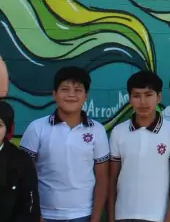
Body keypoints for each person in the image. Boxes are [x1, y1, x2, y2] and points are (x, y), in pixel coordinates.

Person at [19, 66, 111, 222]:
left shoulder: (97, 130)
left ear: (86, 95)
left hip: (83, 214)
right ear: (54, 94)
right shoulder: (37, 128)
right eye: (65, 89)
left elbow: (102, 179)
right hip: (45, 215)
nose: (71, 95)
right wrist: (36, 214)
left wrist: (95, 217)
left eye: (78, 90)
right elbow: (25, 176)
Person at [109, 70, 170, 222]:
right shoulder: (118, 132)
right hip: (123, 216)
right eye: (137, 96)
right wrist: (111, 218)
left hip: (157, 217)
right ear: (130, 98)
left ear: (158, 97)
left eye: (148, 95)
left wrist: (169, 219)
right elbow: (112, 180)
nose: (143, 102)